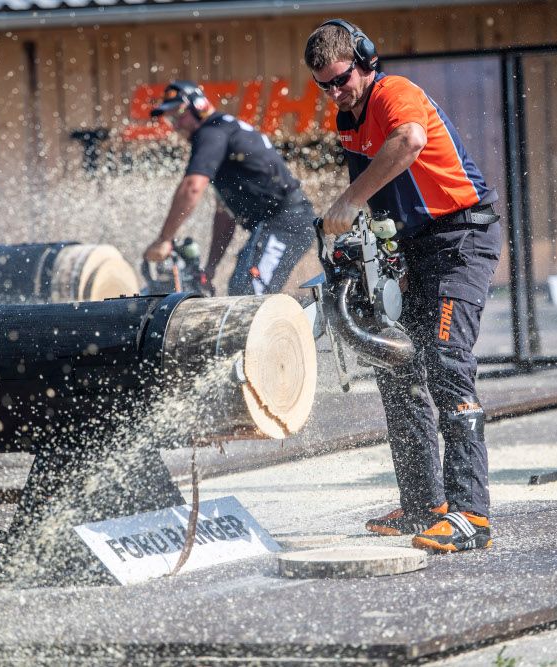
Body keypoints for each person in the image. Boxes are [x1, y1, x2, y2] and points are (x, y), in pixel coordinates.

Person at [304, 19, 502, 553]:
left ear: (365, 60)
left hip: (461, 237)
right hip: (416, 247)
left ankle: (471, 514)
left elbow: (410, 141)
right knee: (398, 365)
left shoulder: (395, 93)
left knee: (446, 362)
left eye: (341, 79)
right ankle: (422, 503)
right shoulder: (347, 120)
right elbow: (378, 198)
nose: (335, 92)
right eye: (324, 85)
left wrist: (347, 202)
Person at [143, 81, 315, 296]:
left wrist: (164, 239)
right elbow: (225, 215)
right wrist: (210, 269)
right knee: (237, 291)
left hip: (287, 223)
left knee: (250, 296)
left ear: (199, 106)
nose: (176, 125)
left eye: (179, 115)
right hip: (273, 224)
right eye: (170, 120)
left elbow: (192, 188)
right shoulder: (221, 133)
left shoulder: (211, 131)